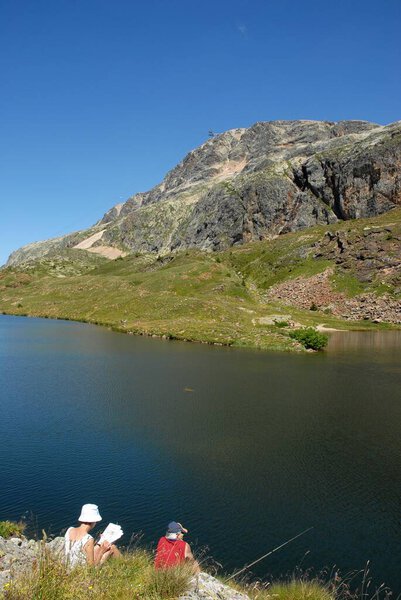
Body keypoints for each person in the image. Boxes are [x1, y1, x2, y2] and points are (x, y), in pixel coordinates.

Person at [64, 503, 120, 568]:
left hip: (69, 567)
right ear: (93, 521)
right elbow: (91, 568)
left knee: (100, 546)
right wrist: (102, 551)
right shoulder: (88, 539)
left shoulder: (70, 530)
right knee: (111, 548)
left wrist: (99, 542)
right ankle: (125, 565)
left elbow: (80, 549)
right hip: (82, 572)